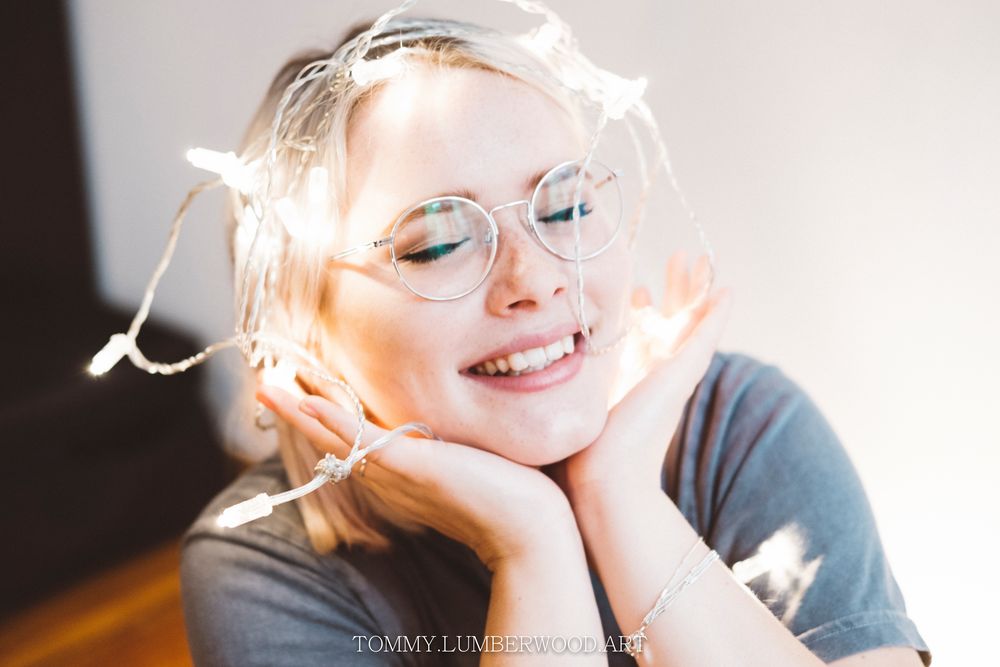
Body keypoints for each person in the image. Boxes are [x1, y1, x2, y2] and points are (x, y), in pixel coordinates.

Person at [178, 11, 932, 667]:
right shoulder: (261, 565)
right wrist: (532, 546)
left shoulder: (739, 427)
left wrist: (618, 496)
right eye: (437, 245)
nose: (535, 276)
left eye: (565, 206)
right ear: (300, 328)